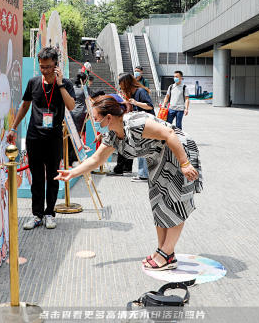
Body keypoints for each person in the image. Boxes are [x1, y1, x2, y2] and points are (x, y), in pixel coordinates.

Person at [56, 95, 202, 271]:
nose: (93, 122)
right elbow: (96, 159)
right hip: (157, 159)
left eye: (95, 119)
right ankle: (163, 250)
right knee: (158, 202)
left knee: (175, 201)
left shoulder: (135, 123)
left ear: (108, 117)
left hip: (178, 151)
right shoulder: (113, 135)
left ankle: (167, 253)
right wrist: (72, 173)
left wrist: (185, 164)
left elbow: (169, 133)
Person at [12, 46, 76, 230]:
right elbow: (24, 106)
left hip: (54, 137)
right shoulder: (33, 82)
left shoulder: (65, 84)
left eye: (48, 66)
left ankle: (50, 213)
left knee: (53, 176)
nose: (45, 70)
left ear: (56, 65)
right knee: (37, 177)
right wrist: (14, 127)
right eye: (42, 66)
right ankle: (37, 214)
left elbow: (71, 106)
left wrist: (60, 82)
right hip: (34, 136)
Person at [119, 73, 154, 182]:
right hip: (140, 123)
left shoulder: (140, 91)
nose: (120, 86)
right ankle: (144, 173)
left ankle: (143, 174)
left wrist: (136, 103)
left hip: (147, 123)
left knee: (142, 148)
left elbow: (149, 106)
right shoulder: (133, 93)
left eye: (121, 84)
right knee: (142, 148)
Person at [68, 73, 89, 165]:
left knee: (71, 136)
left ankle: (69, 159)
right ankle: (73, 158)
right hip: (81, 114)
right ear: (84, 80)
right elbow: (92, 96)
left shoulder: (71, 88)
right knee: (77, 136)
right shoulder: (84, 88)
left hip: (70, 113)